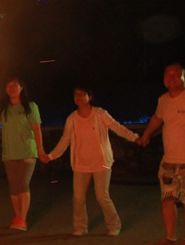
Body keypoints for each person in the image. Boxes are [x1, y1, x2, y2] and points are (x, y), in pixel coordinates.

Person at [46, 87, 140, 236]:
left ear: (89, 97)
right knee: (78, 197)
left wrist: (134, 137)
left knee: (102, 196)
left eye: (81, 94)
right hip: (81, 163)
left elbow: (117, 127)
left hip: (101, 162)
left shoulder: (100, 114)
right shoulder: (72, 118)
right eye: (75, 94)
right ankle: (80, 227)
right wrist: (51, 156)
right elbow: (65, 139)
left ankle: (114, 225)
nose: (78, 97)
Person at [0, 78, 46, 231]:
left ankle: (22, 219)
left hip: (27, 151)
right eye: (9, 85)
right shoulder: (3, 109)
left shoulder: (30, 107)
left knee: (23, 184)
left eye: (15, 85)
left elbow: (36, 128)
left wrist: (40, 149)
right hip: (9, 153)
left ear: (21, 88)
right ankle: (18, 217)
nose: (12, 88)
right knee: (14, 187)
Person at [138, 63, 185, 245]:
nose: (170, 78)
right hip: (168, 162)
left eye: (175, 74)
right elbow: (157, 118)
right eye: (167, 75)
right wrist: (146, 134)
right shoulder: (163, 99)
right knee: (167, 199)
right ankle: (170, 238)